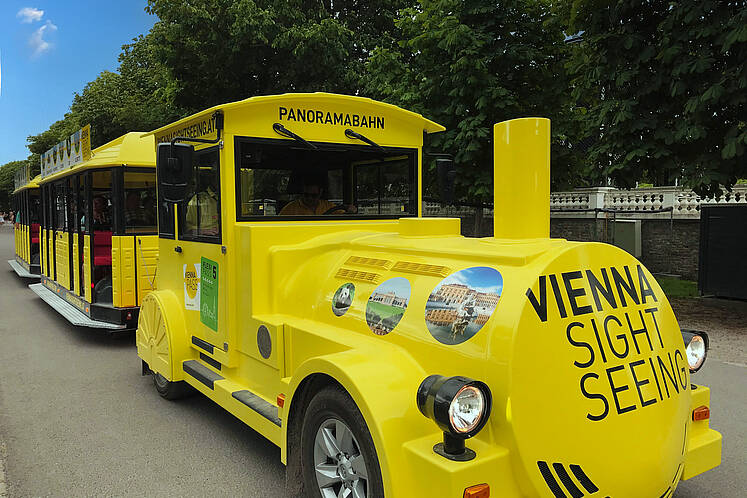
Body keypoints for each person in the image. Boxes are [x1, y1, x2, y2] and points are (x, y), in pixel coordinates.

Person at [279, 174, 356, 216]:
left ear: (320, 193)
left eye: (313, 195)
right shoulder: (290, 209)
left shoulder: (328, 206)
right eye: (306, 195)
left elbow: (343, 216)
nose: (309, 198)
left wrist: (351, 209)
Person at [185, 171, 219, 236]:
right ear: (211, 180)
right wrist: (203, 231)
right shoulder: (198, 199)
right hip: (206, 240)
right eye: (216, 177)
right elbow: (187, 230)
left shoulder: (228, 197)